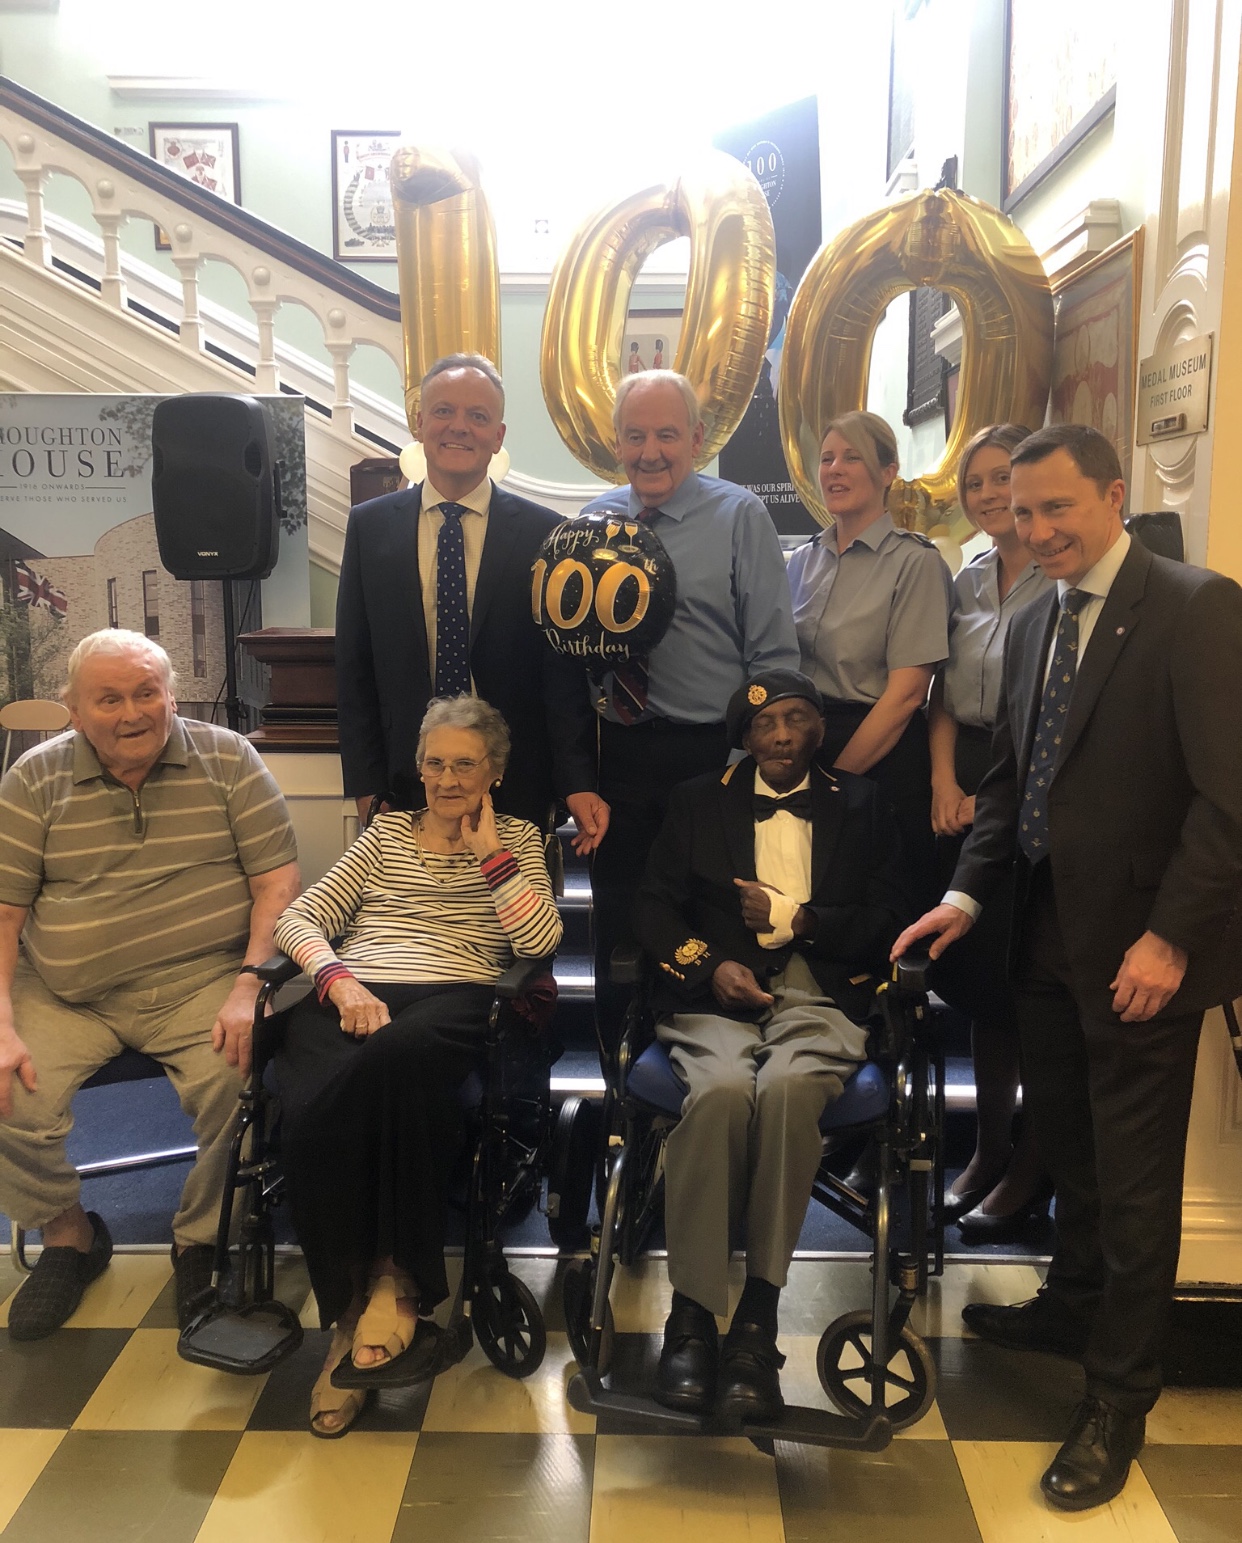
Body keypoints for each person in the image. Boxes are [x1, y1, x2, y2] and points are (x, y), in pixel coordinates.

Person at [892, 424, 1242, 1511]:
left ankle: (1117, 1396)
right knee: (1072, 1146)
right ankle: (1072, 1295)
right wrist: (963, 894)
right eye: (1020, 510)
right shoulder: (1039, 610)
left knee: (1136, 1182)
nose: (1036, 530)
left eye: (1057, 509)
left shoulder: (1195, 605)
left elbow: (1228, 798)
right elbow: (1009, 783)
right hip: (1040, 931)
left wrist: (1173, 936)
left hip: (1144, 950)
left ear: (1114, 495)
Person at [271, 695, 562, 1438]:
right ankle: (353, 1310)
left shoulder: (521, 839)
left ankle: (394, 1288)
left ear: (494, 770)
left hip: (454, 995)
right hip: (356, 990)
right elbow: (299, 917)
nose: (446, 777)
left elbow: (538, 941)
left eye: (466, 763)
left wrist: (492, 854)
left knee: (387, 1060)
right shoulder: (385, 833)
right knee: (306, 1104)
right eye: (435, 762)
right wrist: (337, 980)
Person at [0, 629, 300, 1339]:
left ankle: (200, 1240)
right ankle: (70, 1235)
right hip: (69, 992)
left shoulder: (228, 758)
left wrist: (249, 981)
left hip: (203, 979)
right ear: (73, 708)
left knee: (241, 1076)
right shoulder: (33, 780)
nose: (132, 712)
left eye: (146, 692)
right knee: (7, 1087)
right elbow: (6, 911)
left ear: (170, 695)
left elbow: (277, 882)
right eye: (109, 698)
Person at [635, 670, 908, 1421]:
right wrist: (706, 963)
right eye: (764, 726)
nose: (781, 735)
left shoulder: (864, 803)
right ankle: (691, 1314)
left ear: (819, 727)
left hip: (820, 996)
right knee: (721, 1090)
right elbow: (653, 905)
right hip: (714, 1001)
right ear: (744, 738)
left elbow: (890, 915)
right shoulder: (698, 799)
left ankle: (756, 1319)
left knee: (786, 1091)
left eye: (795, 719)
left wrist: (807, 920)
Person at [582, 370, 799, 1055]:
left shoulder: (740, 517)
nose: (650, 450)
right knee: (620, 927)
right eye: (635, 434)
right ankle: (623, 1091)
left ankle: (702, 1077)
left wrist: (747, 768)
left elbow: (772, 657)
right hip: (617, 759)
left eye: (667, 434)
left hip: (714, 758)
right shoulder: (591, 523)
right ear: (615, 440)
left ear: (697, 439)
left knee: (704, 925)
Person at [334, 352, 604, 847]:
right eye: (443, 411)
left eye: (477, 416)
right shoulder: (369, 528)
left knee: (510, 920)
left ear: (497, 436)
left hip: (516, 781)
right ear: (419, 422)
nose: (459, 427)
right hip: (406, 783)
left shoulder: (545, 534)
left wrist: (575, 782)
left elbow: (560, 677)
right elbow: (355, 666)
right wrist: (367, 786)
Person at [927, 424, 1054, 1238]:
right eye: (975, 482)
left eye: (1002, 478)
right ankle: (988, 1144)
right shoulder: (967, 579)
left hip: (1038, 775)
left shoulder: (1063, 578)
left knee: (1030, 987)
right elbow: (943, 691)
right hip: (967, 774)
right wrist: (944, 779)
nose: (988, 495)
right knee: (978, 986)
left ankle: (1032, 1166)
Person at [786, 410, 953, 910]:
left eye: (851, 457)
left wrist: (832, 781)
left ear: (888, 472)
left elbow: (905, 696)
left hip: (878, 754)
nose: (834, 469)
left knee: (871, 912)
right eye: (827, 458)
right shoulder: (799, 562)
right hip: (802, 746)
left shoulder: (915, 562)